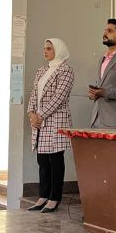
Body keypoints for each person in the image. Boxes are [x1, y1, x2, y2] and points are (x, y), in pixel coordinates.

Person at [27, 38, 75, 213]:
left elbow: (59, 97)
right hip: (40, 120)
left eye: (49, 48)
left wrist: (40, 115)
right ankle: (43, 196)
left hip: (56, 120)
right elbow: (34, 94)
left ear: (58, 50)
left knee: (55, 159)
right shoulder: (42, 70)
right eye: (44, 48)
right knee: (42, 160)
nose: (45, 51)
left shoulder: (66, 70)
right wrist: (31, 114)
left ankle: (54, 198)